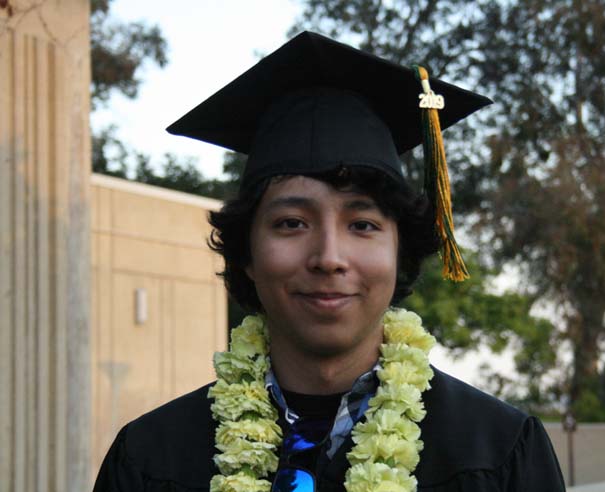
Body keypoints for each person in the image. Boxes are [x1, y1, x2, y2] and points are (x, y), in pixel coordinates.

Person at [93, 32, 566, 492]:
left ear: (399, 252)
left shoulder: (499, 455)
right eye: (291, 223)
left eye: (362, 224)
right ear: (247, 254)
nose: (329, 258)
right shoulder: (150, 461)